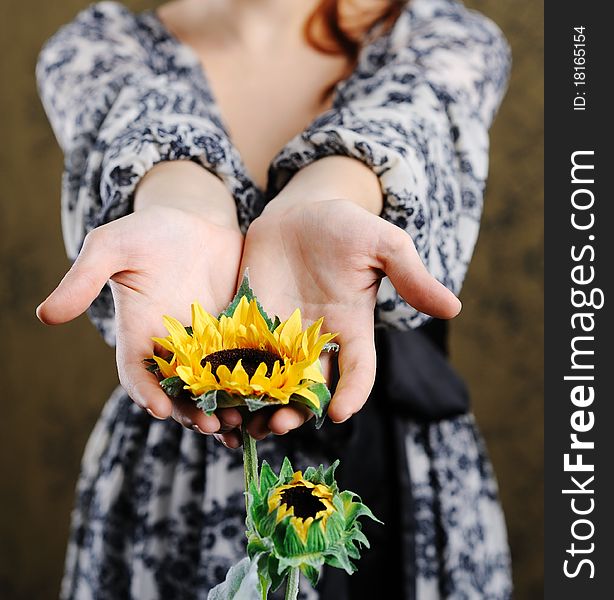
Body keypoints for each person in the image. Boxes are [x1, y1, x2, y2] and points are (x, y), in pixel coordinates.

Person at [36, 0, 512, 598]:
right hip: (182, 459)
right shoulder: (99, 47)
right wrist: (179, 203)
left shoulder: (446, 38)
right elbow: (143, 121)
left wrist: (333, 196)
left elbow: (410, 122)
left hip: (402, 469)